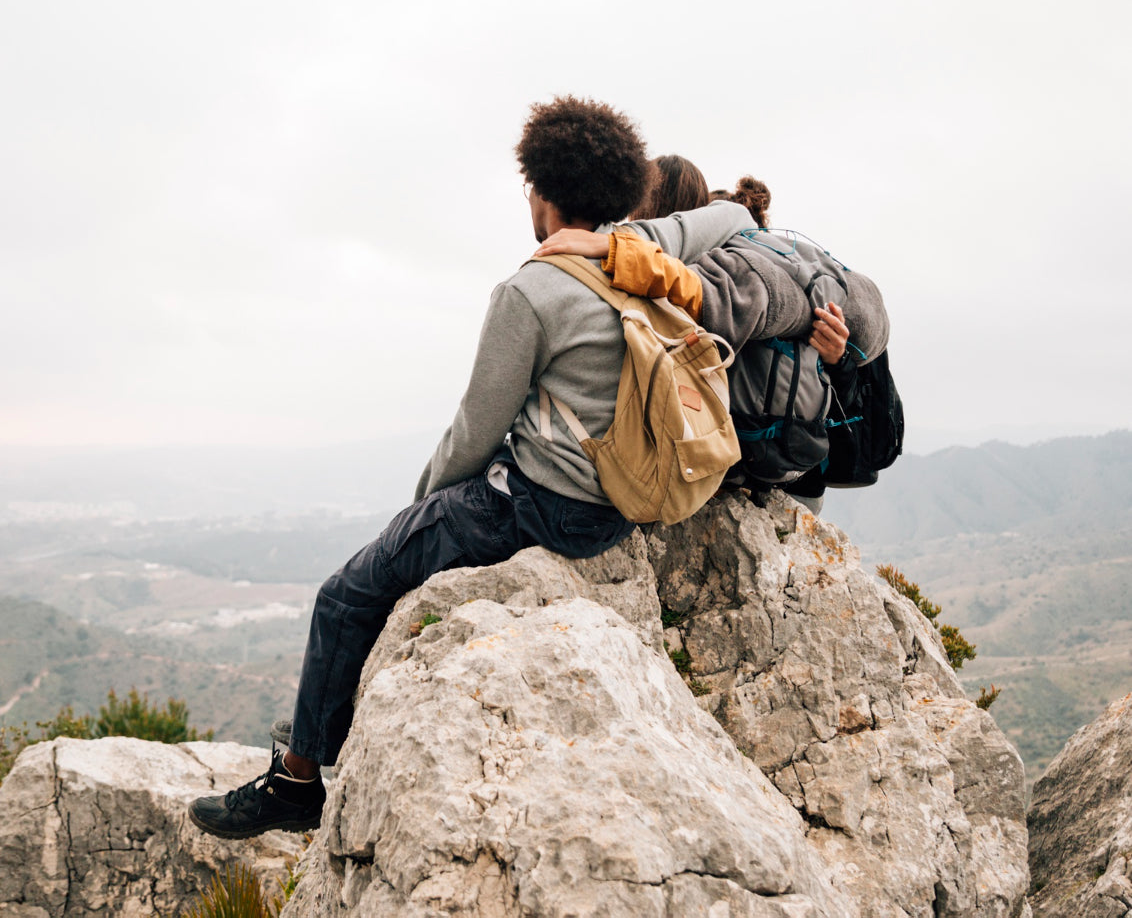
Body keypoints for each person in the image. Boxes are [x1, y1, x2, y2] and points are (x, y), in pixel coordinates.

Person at [187, 96, 756, 840]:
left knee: (346, 593)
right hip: (617, 507)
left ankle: (296, 784)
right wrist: (617, 247)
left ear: (545, 195)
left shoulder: (530, 291)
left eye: (529, 189)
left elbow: (475, 432)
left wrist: (415, 514)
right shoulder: (646, 249)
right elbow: (738, 219)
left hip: (538, 504)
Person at [535, 171, 881, 512]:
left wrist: (617, 251)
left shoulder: (724, 270)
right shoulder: (799, 275)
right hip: (795, 469)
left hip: (738, 472)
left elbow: (705, 297)